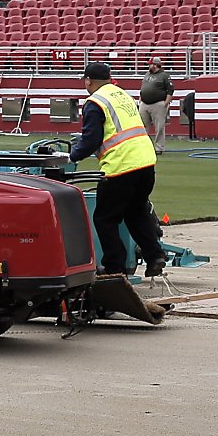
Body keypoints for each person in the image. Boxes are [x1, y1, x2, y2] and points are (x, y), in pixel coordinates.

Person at [65, 60, 166, 279]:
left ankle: (114, 268)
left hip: (121, 166)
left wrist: (70, 155)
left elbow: (91, 139)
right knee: (136, 212)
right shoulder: (122, 95)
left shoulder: (95, 102)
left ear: (88, 81)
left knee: (104, 218)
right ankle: (155, 255)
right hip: (146, 161)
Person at [137, 57, 175, 154]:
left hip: (158, 104)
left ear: (155, 65)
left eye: (150, 64)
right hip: (144, 103)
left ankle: (159, 148)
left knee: (159, 127)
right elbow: (143, 87)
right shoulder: (147, 74)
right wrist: (140, 99)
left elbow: (170, 90)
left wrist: (165, 103)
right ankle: (143, 146)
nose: (149, 66)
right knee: (142, 126)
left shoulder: (164, 76)